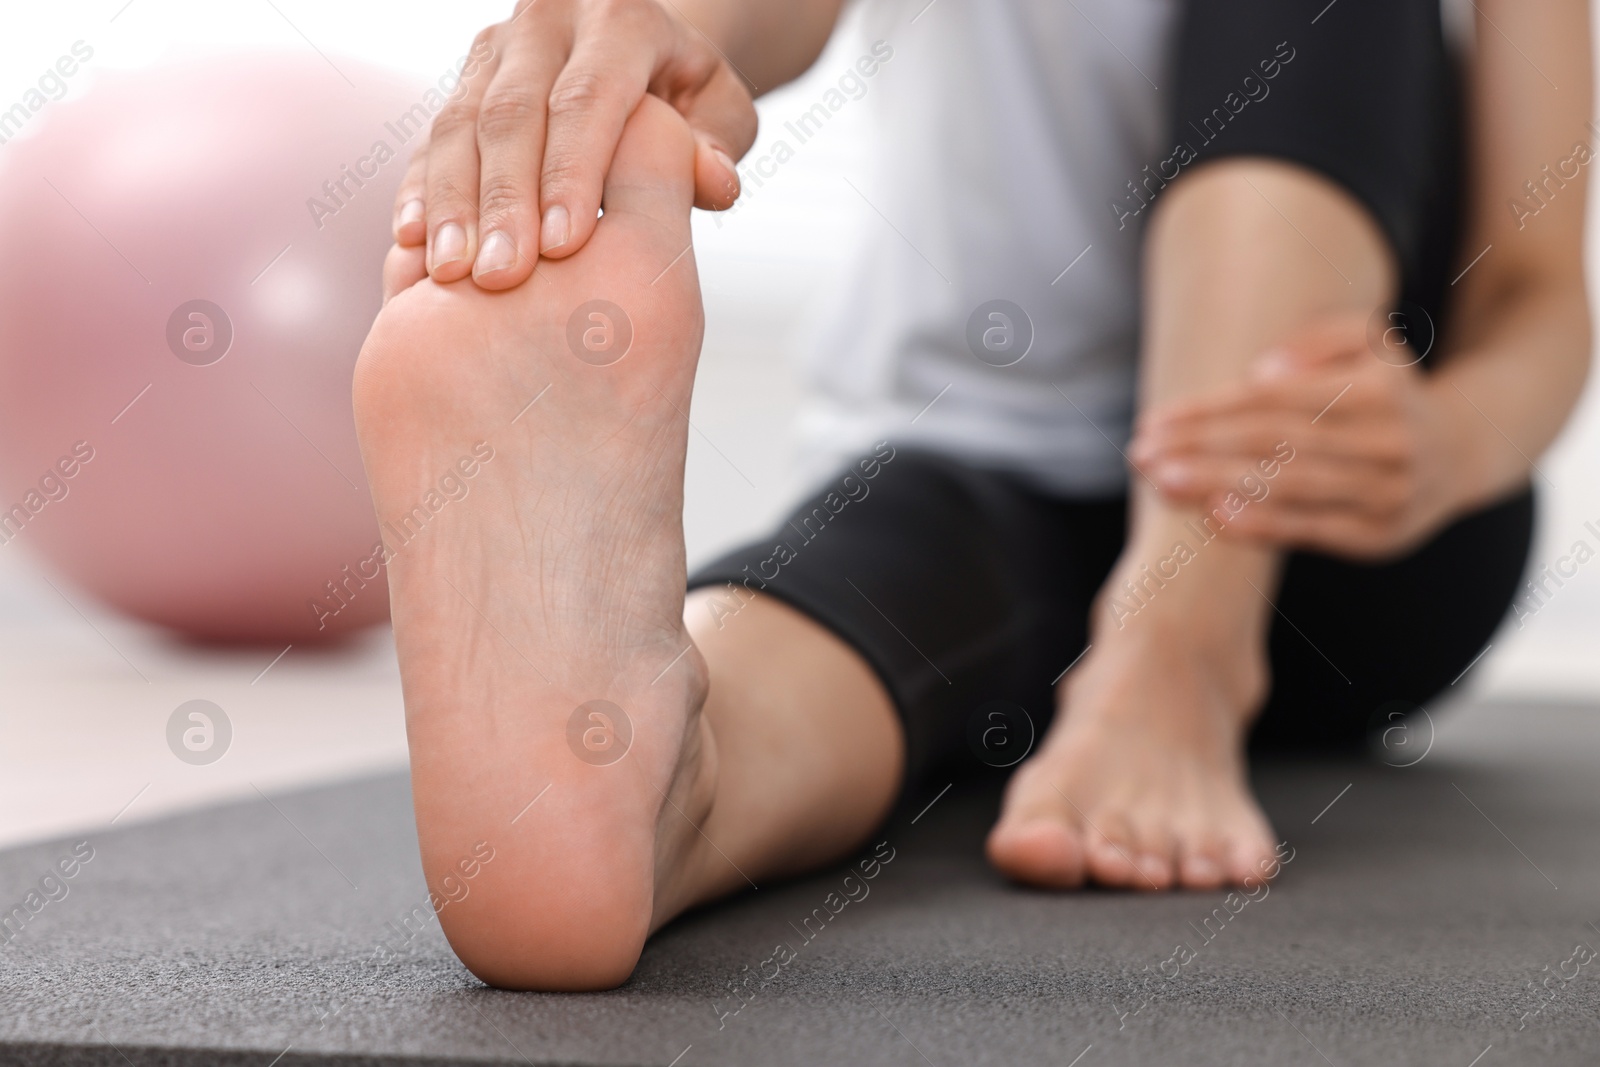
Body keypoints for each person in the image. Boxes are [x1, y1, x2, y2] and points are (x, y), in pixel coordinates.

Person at [354, 0, 1591, 990]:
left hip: (1352, 524)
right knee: (881, 569)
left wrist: (1447, 437)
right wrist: (657, 32)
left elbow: (1536, 289)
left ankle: (1180, 649)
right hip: (983, 465)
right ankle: (649, 784)